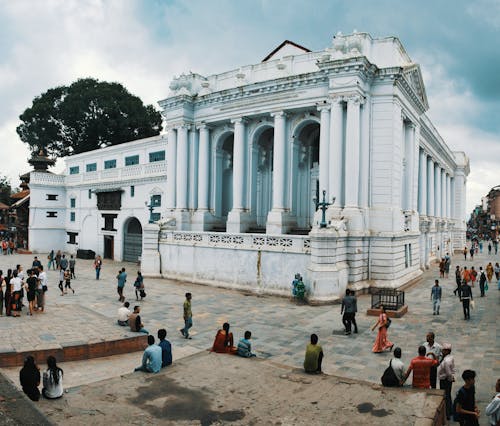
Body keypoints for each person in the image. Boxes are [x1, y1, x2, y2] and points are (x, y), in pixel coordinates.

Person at [438, 343, 455, 421]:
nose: (442, 351)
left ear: (447, 351)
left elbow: (448, 373)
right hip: (447, 379)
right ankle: (450, 411)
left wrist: (451, 378)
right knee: (448, 395)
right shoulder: (449, 358)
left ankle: (447, 413)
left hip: (445, 380)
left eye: (443, 350)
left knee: (446, 396)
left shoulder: (446, 361)